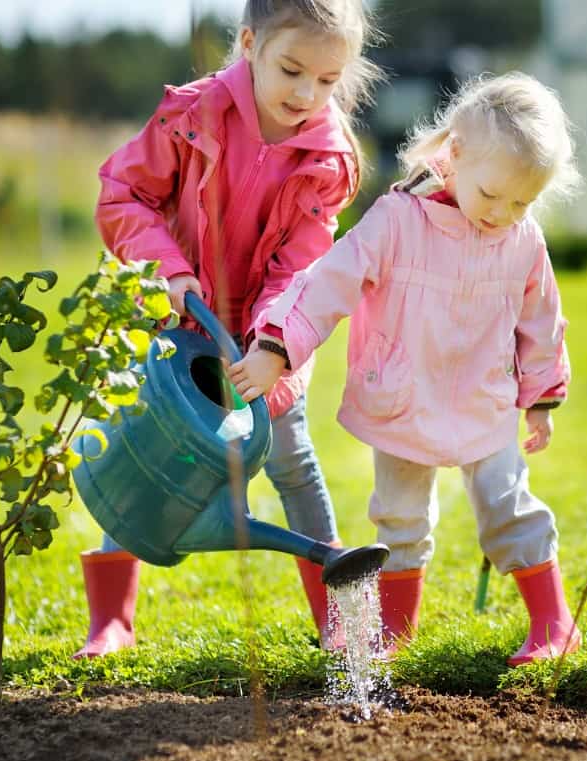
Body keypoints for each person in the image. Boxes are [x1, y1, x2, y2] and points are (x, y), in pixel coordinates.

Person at [231, 72, 584, 666]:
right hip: (401, 394)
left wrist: (541, 398)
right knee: (398, 516)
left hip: (483, 399)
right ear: (456, 155)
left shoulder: (524, 240)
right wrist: (277, 350)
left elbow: (542, 322)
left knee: (508, 505)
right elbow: (327, 284)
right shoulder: (397, 222)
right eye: (492, 194)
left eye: (522, 201)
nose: (503, 213)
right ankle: (394, 632)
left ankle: (553, 623)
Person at [76, 0, 383, 659]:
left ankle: (339, 621)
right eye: (292, 70)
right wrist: (167, 269)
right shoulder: (192, 115)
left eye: (328, 81)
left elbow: (301, 269)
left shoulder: (327, 161)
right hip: (173, 328)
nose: (307, 94)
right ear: (249, 43)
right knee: (144, 453)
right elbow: (123, 193)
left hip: (265, 341)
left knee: (294, 462)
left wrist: (272, 349)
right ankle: (112, 621)